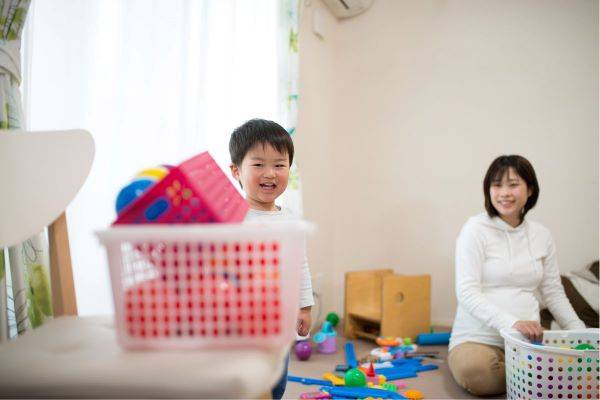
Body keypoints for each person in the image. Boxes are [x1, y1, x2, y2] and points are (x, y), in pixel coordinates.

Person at [448, 155, 585, 396]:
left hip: (528, 341)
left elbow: (553, 292)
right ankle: (535, 377)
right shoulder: (474, 229)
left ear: (530, 189)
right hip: (478, 339)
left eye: (513, 184)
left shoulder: (542, 235)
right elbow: (467, 292)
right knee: (479, 374)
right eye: (497, 185)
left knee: (575, 367)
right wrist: (513, 323)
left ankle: (533, 374)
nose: (504, 193)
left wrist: (580, 333)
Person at [229, 118, 314, 399]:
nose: (270, 173)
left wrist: (304, 306)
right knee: (252, 386)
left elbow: (300, 264)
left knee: (277, 382)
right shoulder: (232, 218)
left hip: (280, 322)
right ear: (236, 171)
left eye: (280, 164)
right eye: (258, 164)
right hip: (242, 325)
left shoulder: (290, 219)